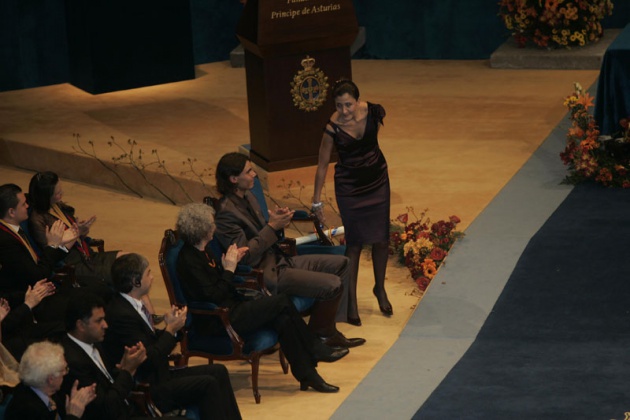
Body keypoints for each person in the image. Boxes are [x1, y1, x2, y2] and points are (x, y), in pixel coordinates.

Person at [176, 203, 350, 392]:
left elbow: (220, 286)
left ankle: (308, 375)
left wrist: (231, 264)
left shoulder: (204, 250)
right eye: (211, 224)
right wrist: (229, 269)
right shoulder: (188, 260)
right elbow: (214, 295)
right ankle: (314, 348)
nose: (214, 228)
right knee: (282, 301)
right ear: (201, 230)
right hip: (218, 319)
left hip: (233, 307)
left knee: (283, 318)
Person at [213, 152, 365, 348]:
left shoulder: (249, 196)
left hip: (279, 259)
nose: (254, 175)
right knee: (333, 283)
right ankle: (320, 339)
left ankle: (324, 330)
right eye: (248, 171)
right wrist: (272, 227)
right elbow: (245, 257)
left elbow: (263, 232)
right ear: (234, 179)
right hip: (266, 272)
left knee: (343, 264)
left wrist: (276, 219)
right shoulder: (225, 214)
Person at [103, 253, 242, 419]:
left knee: (218, 371)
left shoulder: (132, 305)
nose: (152, 277)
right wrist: (170, 330)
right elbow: (147, 360)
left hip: (161, 375)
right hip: (149, 386)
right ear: (136, 281)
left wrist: (174, 327)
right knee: (208, 384)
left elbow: (151, 340)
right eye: (148, 273)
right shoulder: (122, 315)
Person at [312, 79, 393, 326]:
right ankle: (351, 302)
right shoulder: (332, 128)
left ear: (357, 101)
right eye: (339, 106)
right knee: (355, 244)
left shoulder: (373, 112)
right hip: (350, 188)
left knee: (381, 239)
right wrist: (316, 202)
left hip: (377, 181)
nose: (344, 111)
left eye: (348, 105)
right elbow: (323, 165)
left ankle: (380, 289)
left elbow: (371, 144)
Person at [28, 171, 155, 312]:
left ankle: (146, 312)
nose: (61, 194)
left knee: (133, 261)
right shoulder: (38, 219)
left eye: (61, 190)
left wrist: (82, 231)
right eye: (57, 193)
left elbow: (74, 234)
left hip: (88, 255)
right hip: (74, 263)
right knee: (129, 271)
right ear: (46, 196)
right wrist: (76, 234)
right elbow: (52, 251)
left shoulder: (57, 206)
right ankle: (145, 313)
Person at [61, 293, 155, 420]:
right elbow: (106, 408)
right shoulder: (73, 361)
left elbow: (108, 381)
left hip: (129, 409)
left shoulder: (95, 342)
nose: (105, 325)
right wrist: (127, 371)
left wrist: (124, 366)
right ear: (81, 325)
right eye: (99, 320)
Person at [0, 183, 77, 309]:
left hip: (40, 286)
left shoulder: (12, 228)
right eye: (23, 204)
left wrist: (62, 244)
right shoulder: (6, 242)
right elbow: (37, 276)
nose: (28, 206)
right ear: (11, 212)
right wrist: (52, 245)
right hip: (27, 299)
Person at [5, 340, 97, 419]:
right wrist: (73, 416)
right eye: (63, 370)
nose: (65, 373)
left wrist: (75, 406)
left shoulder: (45, 390)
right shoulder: (26, 410)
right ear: (51, 379)